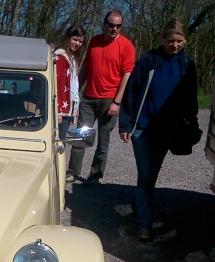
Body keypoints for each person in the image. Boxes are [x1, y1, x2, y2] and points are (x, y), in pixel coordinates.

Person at [118, 18, 199, 241]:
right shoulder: (149, 61)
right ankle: (144, 222)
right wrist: (125, 123)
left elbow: (191, 99)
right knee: (145, 174)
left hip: (167, 130)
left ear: (185, 41)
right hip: (142, 128)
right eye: (171, 40)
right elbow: (132, 92)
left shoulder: (186, 65)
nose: (175, 45)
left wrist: (191, 125)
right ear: (163, 39)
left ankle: (141, 207)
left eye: (179, 41)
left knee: (151, 174)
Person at [72, 9, 135, 186]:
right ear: (104, 24)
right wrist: (75, 90)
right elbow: (85, 67)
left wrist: (117, 101)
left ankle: (95, 175)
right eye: (111, 25)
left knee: (103, 141)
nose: (114, 29)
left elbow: (126, 75)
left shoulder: (126, 46)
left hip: (109, 100)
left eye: (118, 26)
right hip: (89, 98)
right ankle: (73, 172)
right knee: (80, 136)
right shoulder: (94, 41)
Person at [52, 25, 86, 182]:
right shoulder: (60, 57)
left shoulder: (72, 58)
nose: (77, 43)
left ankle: (56, 173)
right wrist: (58, 110)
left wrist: (75, 107)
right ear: (68, 38)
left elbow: (73, 85)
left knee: (62, 141)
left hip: (68, 106)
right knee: (58, 143)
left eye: (80, 41)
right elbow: (56, 85)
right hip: (61, 109)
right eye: (75, 39)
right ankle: (53, 174)